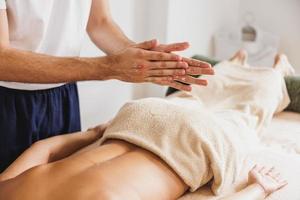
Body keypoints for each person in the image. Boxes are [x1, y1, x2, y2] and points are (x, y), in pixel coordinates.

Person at [0, 51, 291, 200]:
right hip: (137, 122)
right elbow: (44, 150)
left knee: (244, 116)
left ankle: (275, 73)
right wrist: (94, 133)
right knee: (191, 96)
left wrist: (258, 189)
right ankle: (233, 64)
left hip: (193, 146)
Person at [0, 0, 214, 172]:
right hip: (7, 101)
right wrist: (109, 67)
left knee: (54, 183)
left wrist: (143, 59)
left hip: (63, 96)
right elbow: (2, 60)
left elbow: (100, 23)